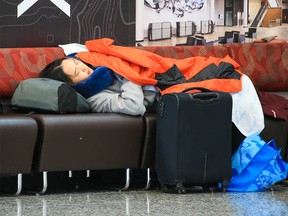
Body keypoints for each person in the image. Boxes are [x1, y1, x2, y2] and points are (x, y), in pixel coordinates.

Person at [39, 57, 158, 116]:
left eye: (76, 62)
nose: (83, 68)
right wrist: (128, 73)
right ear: (73, 85)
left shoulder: (100, 66)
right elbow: (134, 106)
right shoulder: (95, 100)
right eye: (77, 73)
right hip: (163, 100)